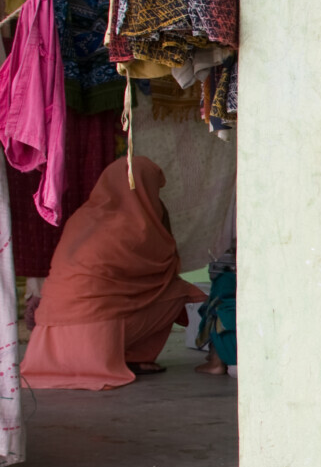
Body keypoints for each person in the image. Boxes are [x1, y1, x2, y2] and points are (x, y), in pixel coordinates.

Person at [20, 157, 206, 390]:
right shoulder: (138, 225)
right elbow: (163, 268)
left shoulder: (82, 216)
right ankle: (136, 356)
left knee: (136, 295)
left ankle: (127, 356)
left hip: (46, 340)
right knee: (179, 291)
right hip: (93, 336)